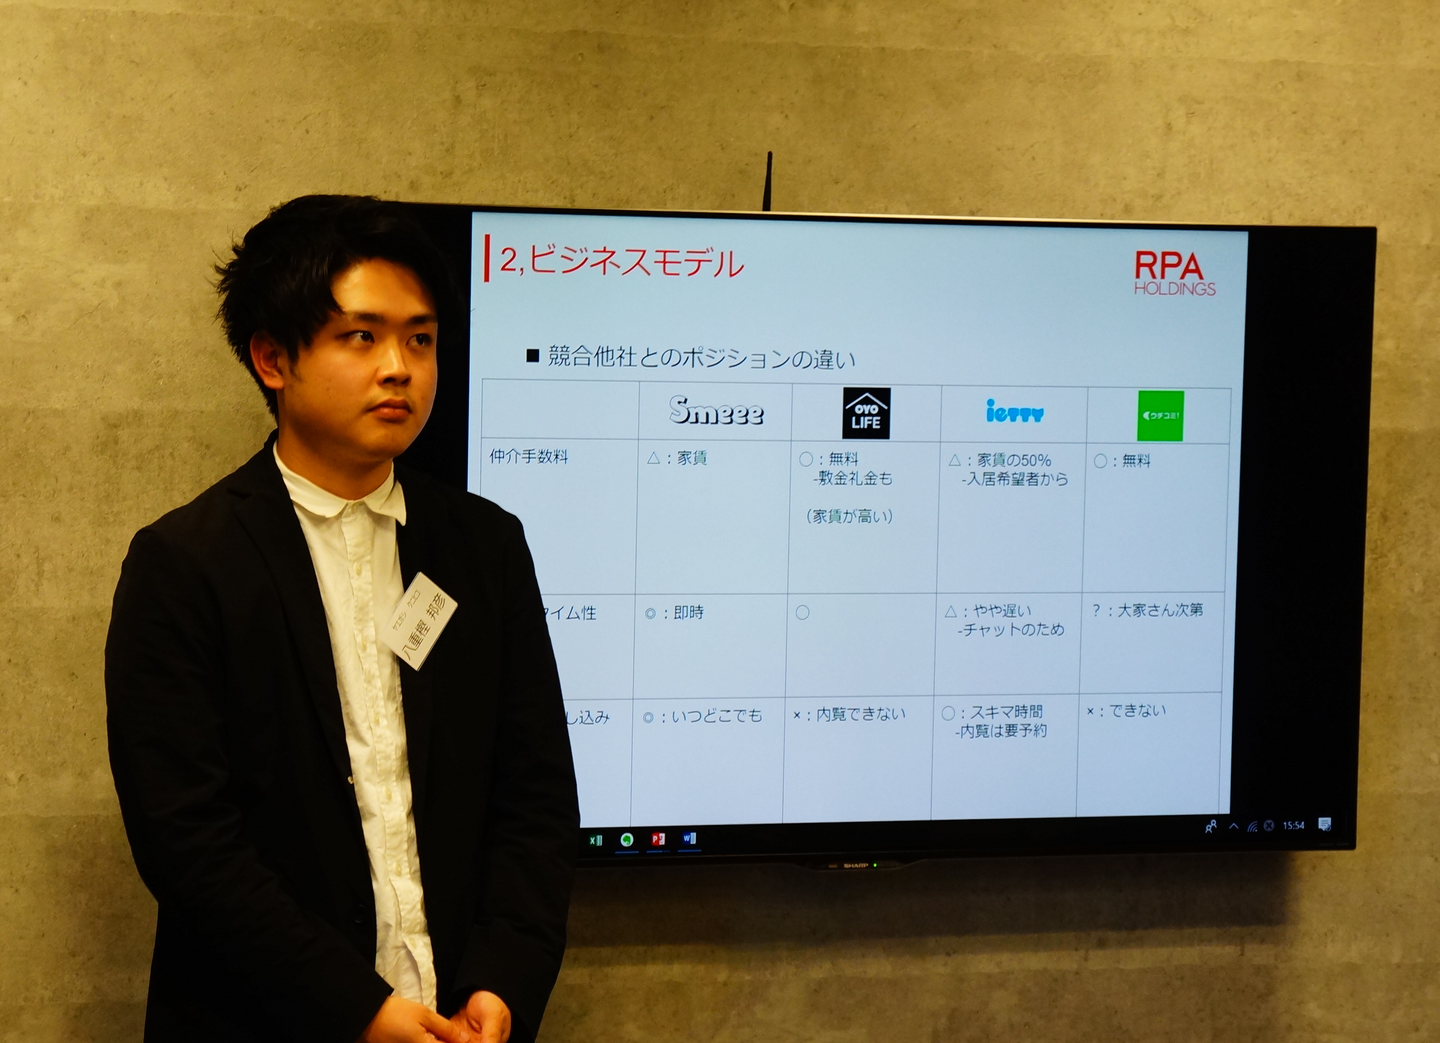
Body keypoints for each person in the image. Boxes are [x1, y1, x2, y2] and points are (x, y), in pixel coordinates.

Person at [105, 195, 579, 1043]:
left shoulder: (486, 546)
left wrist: (502, 979)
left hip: (459, 1020)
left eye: (420, 339)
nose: (399, 367)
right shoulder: (186, 562)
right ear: (272, 358)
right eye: (361, 336)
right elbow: (188, 841)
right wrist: (356, 1010)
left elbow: (535, 793)